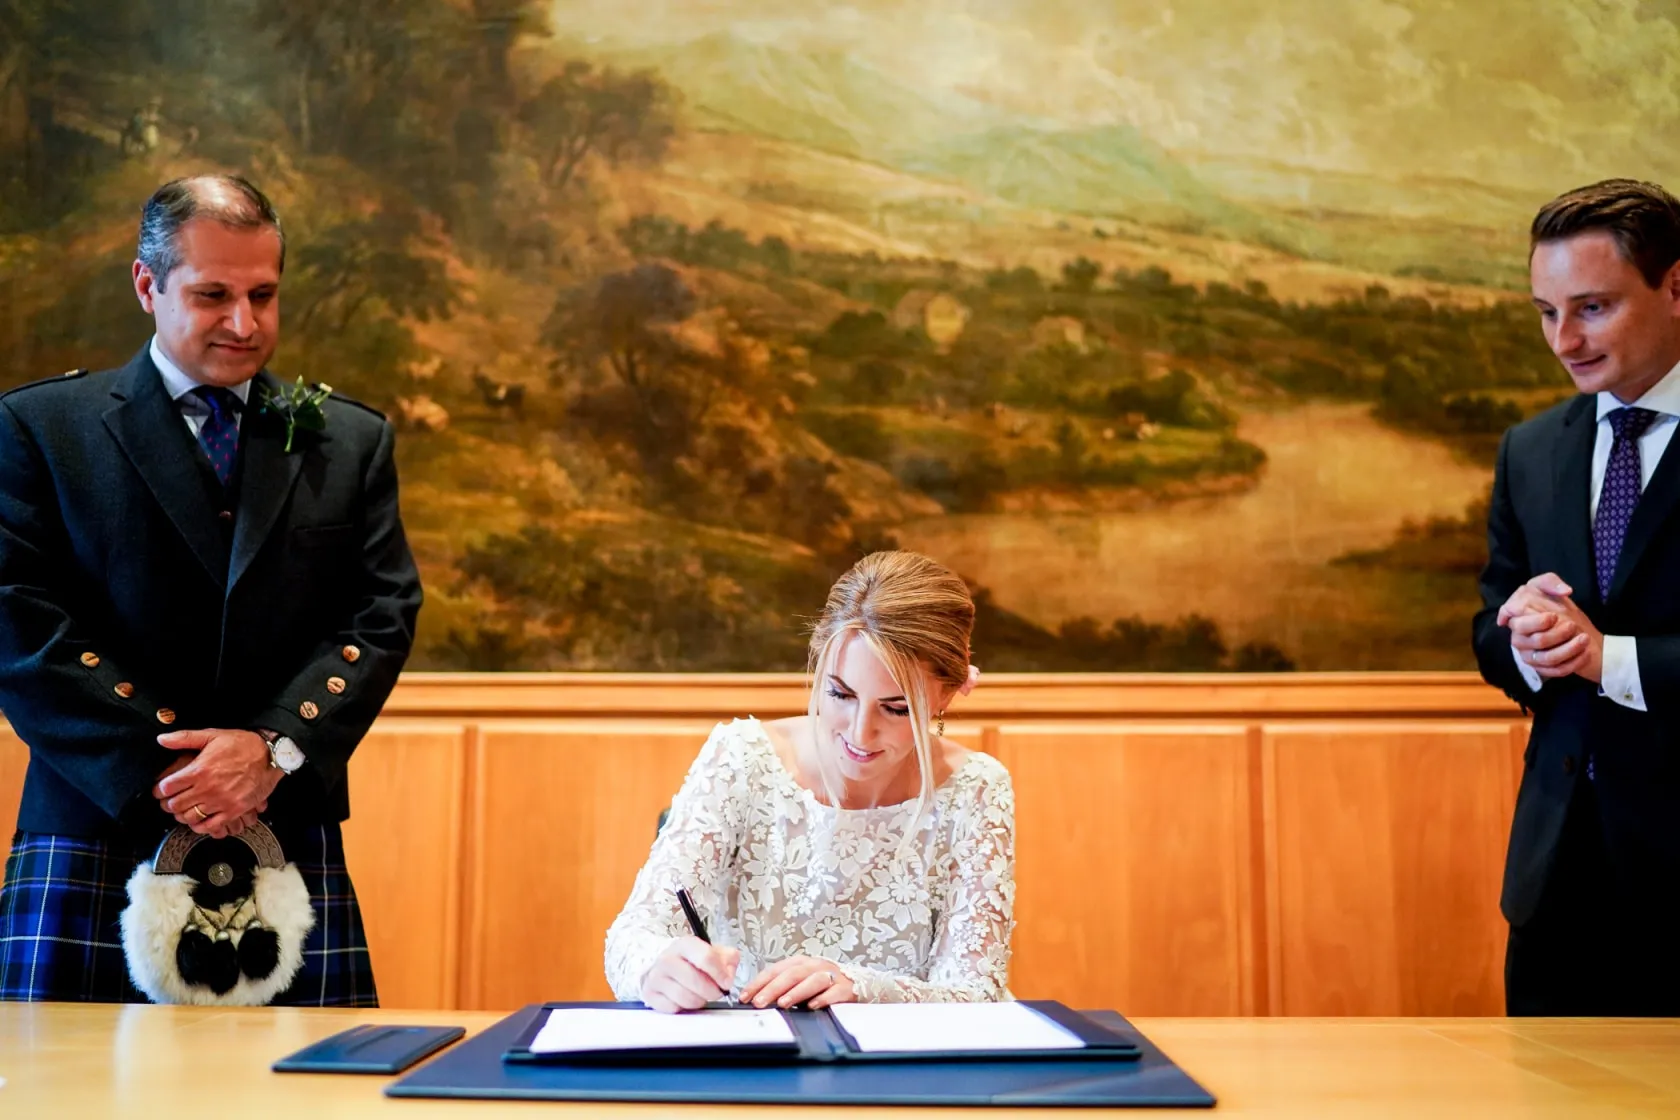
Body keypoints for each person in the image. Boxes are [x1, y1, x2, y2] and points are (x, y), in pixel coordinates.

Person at [0, 175, 423, 1004]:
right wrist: (182, 774)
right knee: (62, 1076)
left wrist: (271, 749)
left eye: (263, 295)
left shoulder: (349, 439)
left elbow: (381, 615)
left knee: (296, 1079)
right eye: (213, 295)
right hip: (99, 819)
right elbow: (17, 620)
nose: (244, 323)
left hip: (281, 818)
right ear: (147, 285)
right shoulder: (42, 429)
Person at [605, 550, 1014, 1012]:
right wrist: (657, 968)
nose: (860, 732)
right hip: (751, 1046)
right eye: (840, 693)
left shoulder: (977, 788)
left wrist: (860, 986)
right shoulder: (742, 758)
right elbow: (632, 937)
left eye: (896, 708)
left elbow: (977, 995)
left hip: (903, 1057)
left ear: (948, 693)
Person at [1474, 178, 1680, 1015]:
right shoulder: (1529, 450)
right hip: (1555, 885)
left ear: (1676, 286)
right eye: (1546, 312)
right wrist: (1524, 644)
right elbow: (1488, 628)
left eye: (1592, 308)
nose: (1565, 340)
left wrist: (1607, 659)